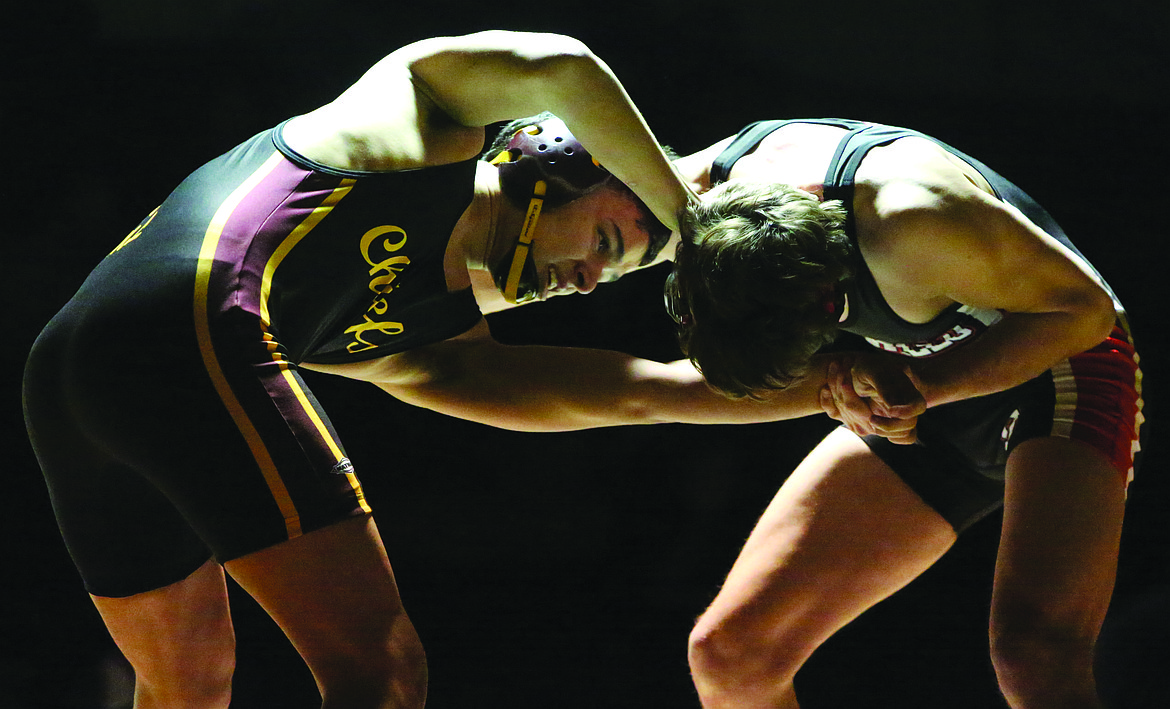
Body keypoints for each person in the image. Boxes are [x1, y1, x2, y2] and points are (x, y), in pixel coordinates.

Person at [23, 35, 904, 709]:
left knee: (186, 680)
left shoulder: (429, 340)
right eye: (604, 240)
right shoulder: (414, 130)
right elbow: (561, 64)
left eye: (617, 268)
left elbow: (650, 390)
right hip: (186, 331)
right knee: (381, 669)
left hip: (71, 374)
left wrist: (827, 390)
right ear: (560, 160)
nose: (593, 278)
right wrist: (695, 219)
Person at [666, 118, 1144, 709]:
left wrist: (926, 387)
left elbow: (1085, 312)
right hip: (923, 383)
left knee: (1034, 652)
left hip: (1057, 360)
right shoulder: (701, 212)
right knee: (732, 654)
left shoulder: (909, 219)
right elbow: (631, 387)